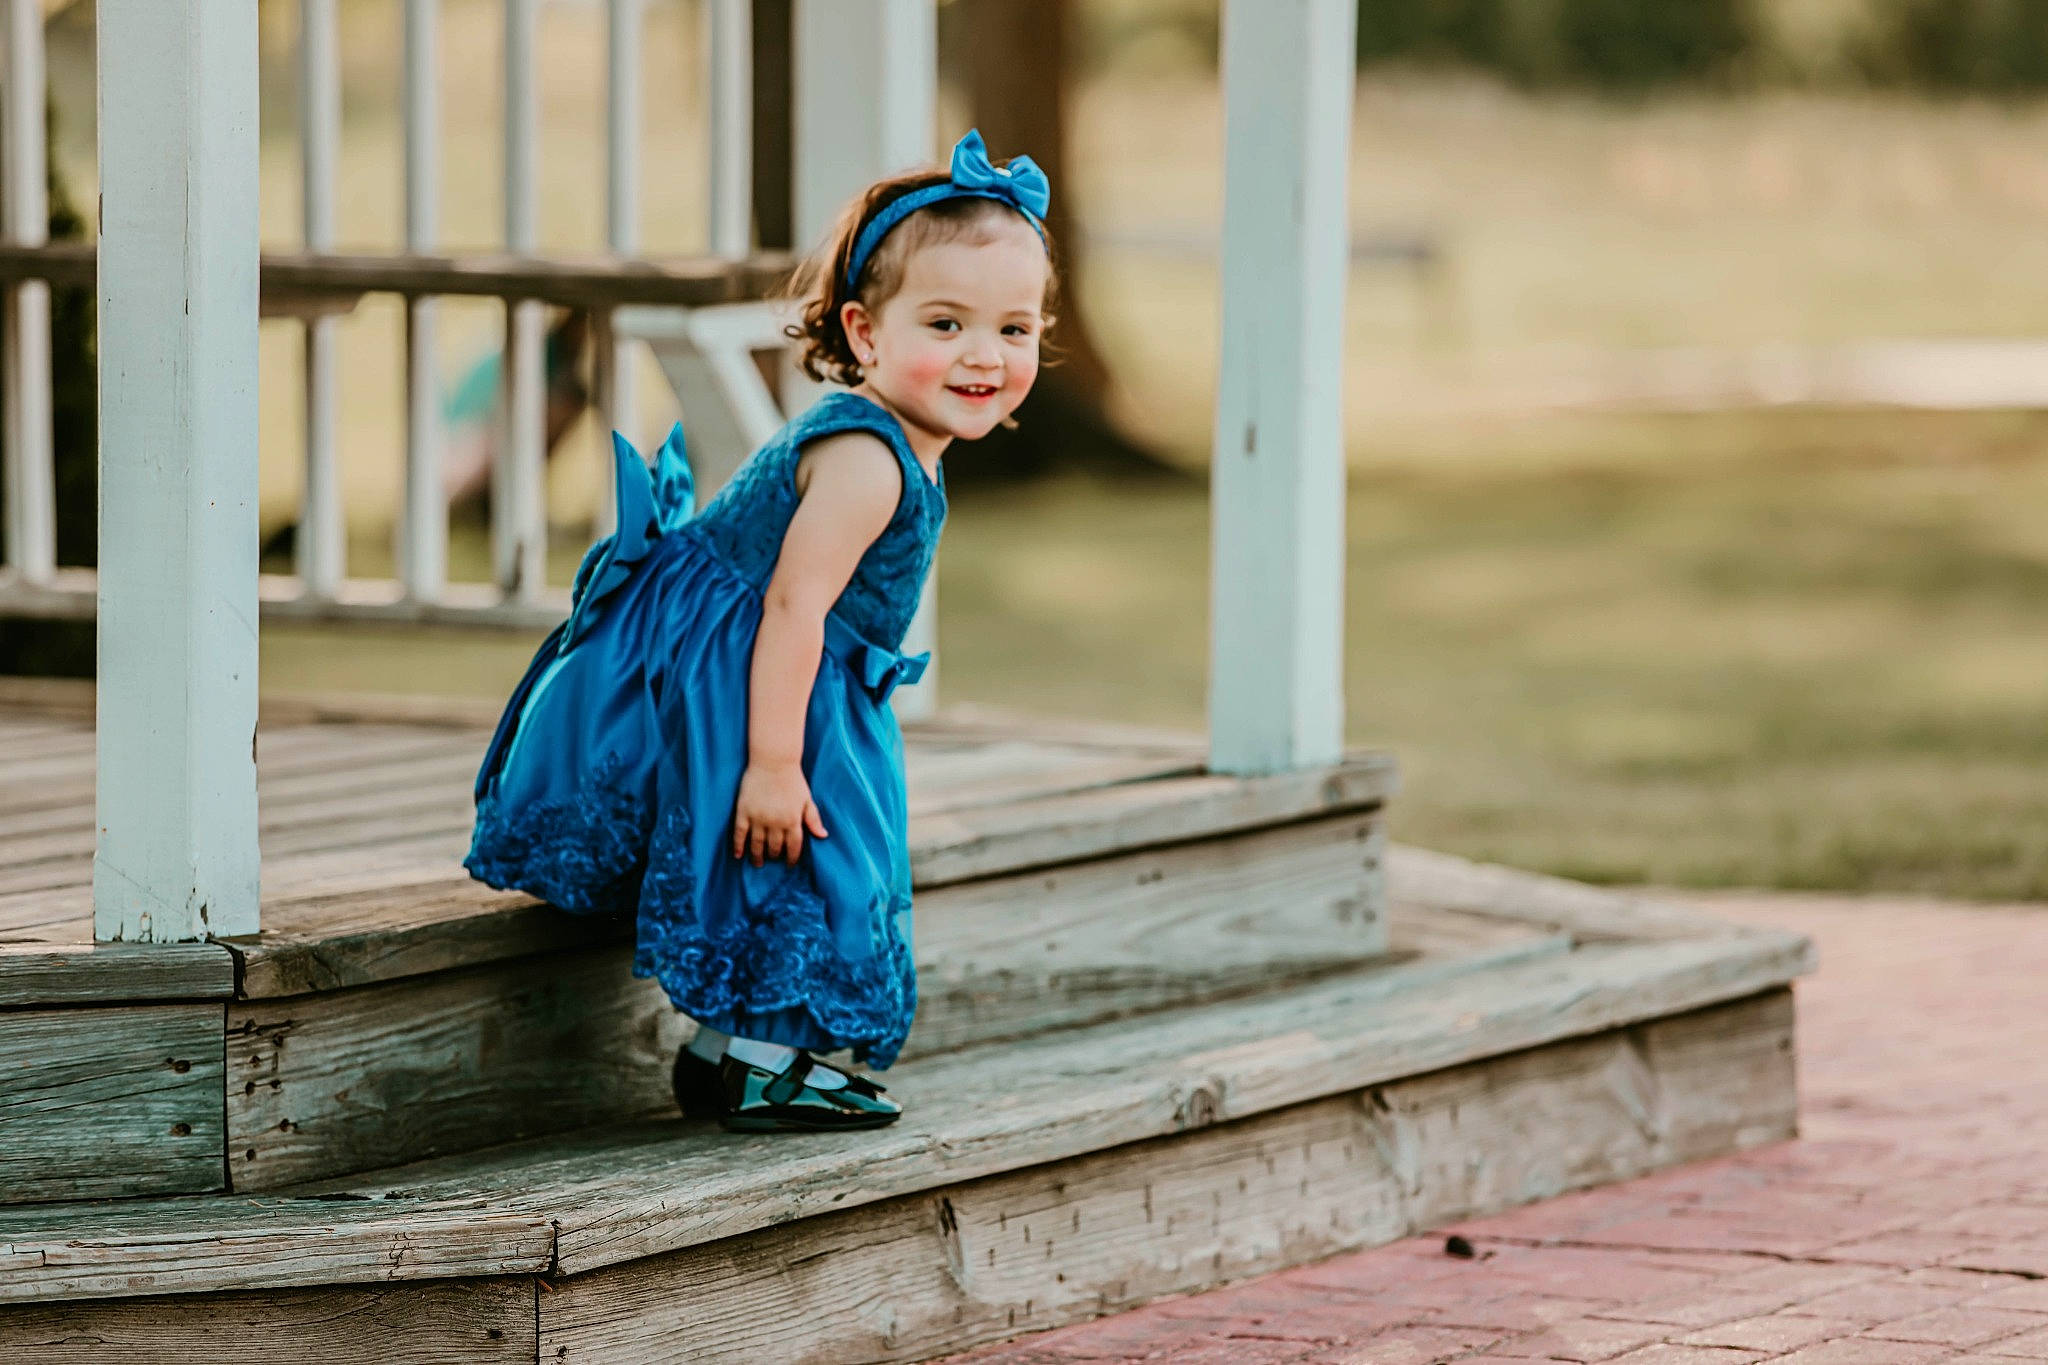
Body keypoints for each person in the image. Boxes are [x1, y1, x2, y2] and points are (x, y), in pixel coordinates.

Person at [465, 129, 1054, 1133]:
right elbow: (793, 608)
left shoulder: (904, 434)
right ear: (866, 334)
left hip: (779, 660)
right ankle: (750, 1062)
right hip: (758, 670)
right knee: (804, 846)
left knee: (800, 854)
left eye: (1013, 329)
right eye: (946, 323)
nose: (982, 356)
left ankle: (726, 1054)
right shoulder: (869, 458)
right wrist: (773, 763)